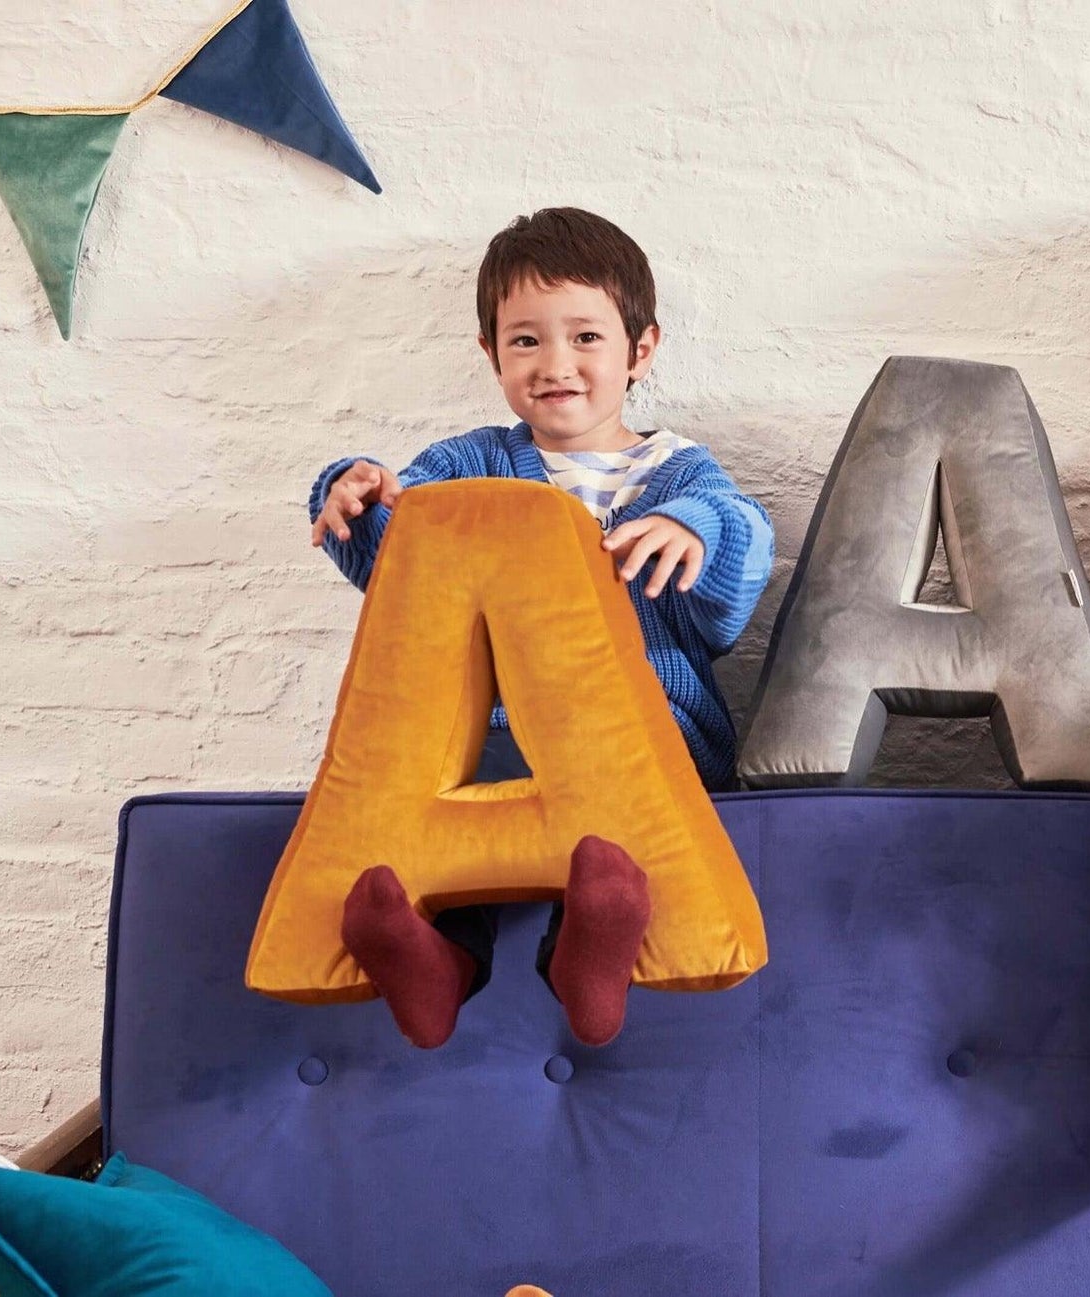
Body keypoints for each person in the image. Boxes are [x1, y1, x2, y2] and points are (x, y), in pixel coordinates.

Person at [307, 207, 773, 1049]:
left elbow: (740, 554)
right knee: (444, 801)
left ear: (641, 349)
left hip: (646, 734)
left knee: (607, 859)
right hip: (494, 737)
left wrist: (697, 528)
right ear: (490, 354)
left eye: (585, 338)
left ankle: (581, 961)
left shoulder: (677, 471)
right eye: (525, 341)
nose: (556, 365)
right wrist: (356, 493)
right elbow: (402, 555)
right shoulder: (470, 463)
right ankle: (438, 961)